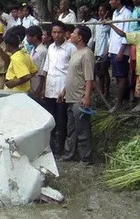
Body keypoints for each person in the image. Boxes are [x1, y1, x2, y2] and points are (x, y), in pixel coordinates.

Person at [58, 26, 95, 163]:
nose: (71, 34)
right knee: (71, 130)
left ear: (80, 37)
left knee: (82, 130)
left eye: (74, 33)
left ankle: (86, 158)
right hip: (70, 97)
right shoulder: (76, 52)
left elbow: (89, 78)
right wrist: (64, 91)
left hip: (79, 98)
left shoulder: (87, 54)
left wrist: (87, 96)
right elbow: (72, 75)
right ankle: (69, 154)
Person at [42, 21, 77, 155]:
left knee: (62, 120)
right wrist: (43, 88)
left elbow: (72, 73)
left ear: (64, 33)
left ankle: (61, 148)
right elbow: (46, 69)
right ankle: (50, 146)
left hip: (63, 88)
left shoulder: (70, 48)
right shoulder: (50, 47)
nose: (56, 35)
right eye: (54, 32)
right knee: (51, 118)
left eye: (59, 32)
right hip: (50, 87)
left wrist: (64, 90)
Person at [107, 19, 140, 112]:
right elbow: (123, 34)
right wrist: (111, 24)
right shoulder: (138, 35)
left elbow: (123, 34)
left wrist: (111, 24)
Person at [108, 0, 133, 112]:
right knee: (117, 76)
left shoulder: (127, 14)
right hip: (113, 48)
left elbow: (126, 34)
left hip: (121, 50)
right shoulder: (115, 13)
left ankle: (119, 104)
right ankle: (121, 100)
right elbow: (113, 34)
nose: (110, 2)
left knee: (122, 76)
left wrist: (121, 51)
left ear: (118, 0)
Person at [26, 26, 48, 99]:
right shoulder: (33, 50)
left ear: (34, 37)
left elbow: (43, 73)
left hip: (38, 85)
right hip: (31, 84)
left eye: (28, 37)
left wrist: (40, 88)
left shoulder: (43, 51)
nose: (27, 39)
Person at [94, 4, 111, 98]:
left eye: (102, 11)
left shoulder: (109, 23)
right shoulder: (97, 23)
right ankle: (101, 92)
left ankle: (107, 92)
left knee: (105, 71)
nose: (100, 13)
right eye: (99, 11)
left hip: (105, 51)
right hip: (98, 51)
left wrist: (107, 50)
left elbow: (108, 35)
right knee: (99, 73)